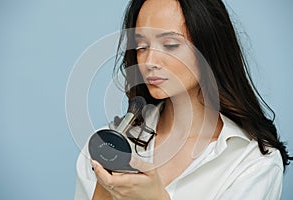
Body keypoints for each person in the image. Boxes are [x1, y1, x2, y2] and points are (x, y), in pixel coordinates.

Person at [75, 0, 292, 199]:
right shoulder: (105, 150)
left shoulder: (253, 162)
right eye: (141, 46)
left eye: (170, 45)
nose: (149, 61)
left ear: (210, 48)